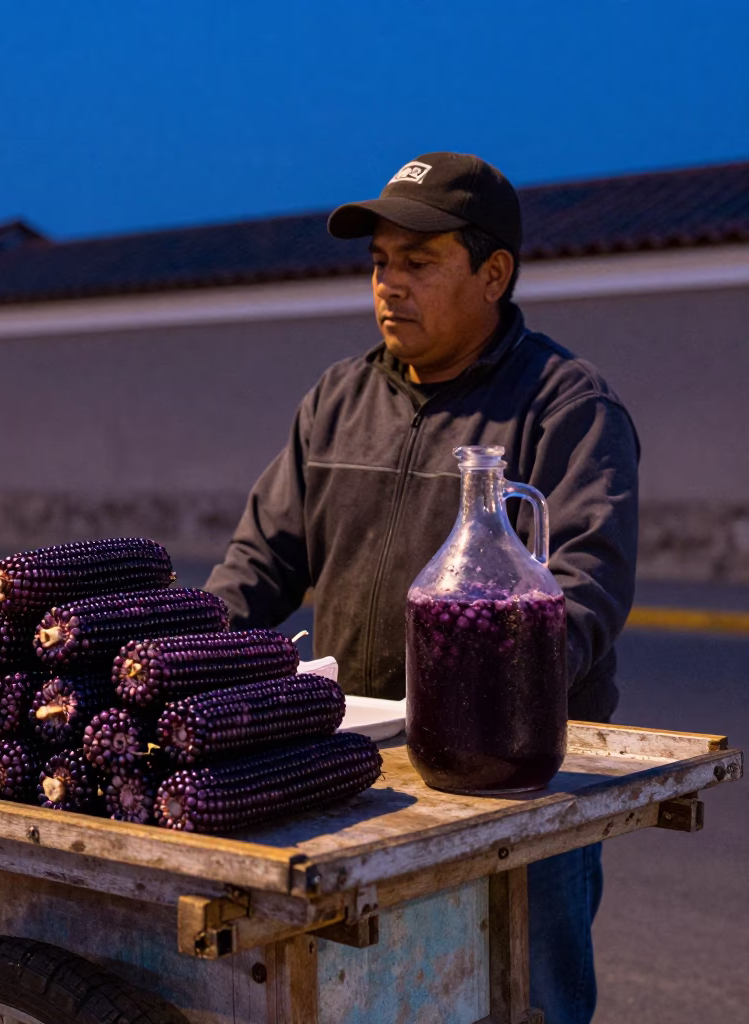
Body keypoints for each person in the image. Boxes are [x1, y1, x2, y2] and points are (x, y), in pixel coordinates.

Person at [204, 151, 640, 1024]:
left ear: (493, 273)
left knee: (525, 1002)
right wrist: (180, 657)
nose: (387, 287)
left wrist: (498, 704)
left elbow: (586, 582)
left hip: (515, 789)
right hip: (360, 772)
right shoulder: (338, 398)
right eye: (378, 265)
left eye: (417, 263)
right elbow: (259, 565)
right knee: (371, 1001)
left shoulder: (563, 405)